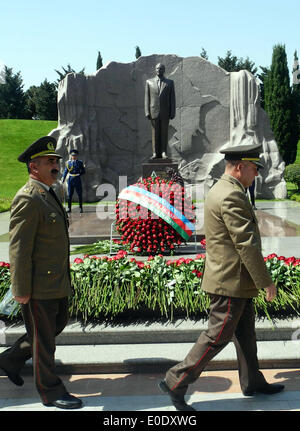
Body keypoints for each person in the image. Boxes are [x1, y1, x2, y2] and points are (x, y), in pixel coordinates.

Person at [159, 143, 284, 411]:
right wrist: (266, 281)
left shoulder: (226, 188)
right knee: (217, 337)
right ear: (240, 167)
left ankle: (253, 382)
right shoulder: (231, 194)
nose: (256, 174)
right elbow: (246, 243)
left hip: (236, 279)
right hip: (231, 281)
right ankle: (175, 379)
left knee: (246, 336)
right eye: (254, 168)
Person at [0, 136, 82, 409]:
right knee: (45, 342)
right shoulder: (28, 198)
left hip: (55, 281)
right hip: (37, 286)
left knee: (53, 328)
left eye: (57, 160)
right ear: (34, 167)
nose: (56, 165)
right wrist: (20, 289)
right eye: (50, 161)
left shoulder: (50, 192)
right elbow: (19, 249)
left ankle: (10, 359)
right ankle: (51, 392)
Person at [145, 63, 176, 159]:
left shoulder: (169, 83)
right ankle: (155, 153)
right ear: (155, 70)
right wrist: (147, 111)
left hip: (165, 113)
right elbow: (147, 98)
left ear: (164, 70)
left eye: (161, 68)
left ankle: (163, 152)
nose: (159, 70)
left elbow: (172, 99)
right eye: (158, 68)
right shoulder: (149, 82)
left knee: (164, 133)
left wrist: (172, 112)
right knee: (155, 134)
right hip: (153, 112)